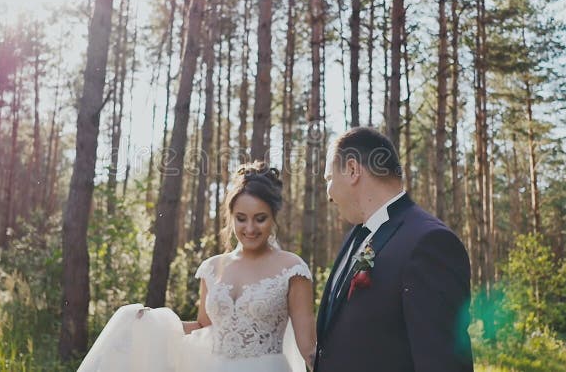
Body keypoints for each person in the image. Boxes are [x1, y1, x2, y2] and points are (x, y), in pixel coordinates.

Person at [77, 161, 316, 372]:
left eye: (260, 218)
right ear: (231, 216)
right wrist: (151, 322)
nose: (250, 228)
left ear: (273, 216)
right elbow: (204, 327)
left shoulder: (292, 268)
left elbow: (308, 346)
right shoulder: (213, 268)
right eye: (241, 218)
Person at [314, 126, 473, 372]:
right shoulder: (352, 238)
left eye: (329, 179)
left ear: (353, 170)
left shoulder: (429, 243)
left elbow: (443, 362)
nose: (329, 195)